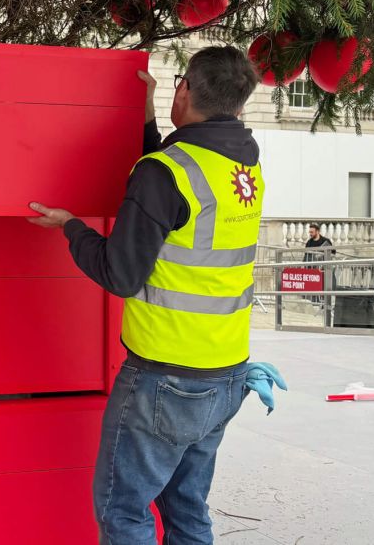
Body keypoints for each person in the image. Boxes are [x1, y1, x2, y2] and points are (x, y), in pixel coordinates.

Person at [29, 46, 264, 545]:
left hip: (165, 376)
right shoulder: (242, 167)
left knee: (125, 512)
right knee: (187, 511)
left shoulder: (167, 172)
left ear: (185, 88)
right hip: (226, 373)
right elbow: (174, 184)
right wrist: (147, 119)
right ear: (240, 104)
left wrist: (71, 227)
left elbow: (120, 273)